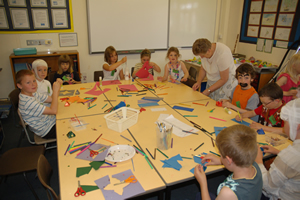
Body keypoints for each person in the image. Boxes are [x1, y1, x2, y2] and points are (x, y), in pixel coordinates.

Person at [194, 124, 262, 200]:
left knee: (200, 195)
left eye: (221, 155)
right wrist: (221, 161)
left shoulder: (228, 193)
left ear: (229, 160)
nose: (220, 156)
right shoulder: (254, 165)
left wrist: (203, 183)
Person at [255, 99, 300, 200]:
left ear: (297, 126)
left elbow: (267, 186)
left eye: (286, 123)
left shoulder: (291, 156)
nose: (284, 127)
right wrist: (279, 152)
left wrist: (258, 161)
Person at [17, 70, 63, 139]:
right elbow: (53, 111)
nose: (33, 84)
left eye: (34, 81)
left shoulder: (32, 93)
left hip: (49, 121)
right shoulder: (27, 102)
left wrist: (58, 86)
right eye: (28, 82)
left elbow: (51, 99)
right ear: (20, 86)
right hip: (47, 130)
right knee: (71, 127)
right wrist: (55, 91)